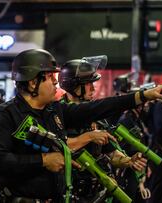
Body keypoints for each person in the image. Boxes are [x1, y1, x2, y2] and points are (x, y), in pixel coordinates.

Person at [0, 49, 162, 201]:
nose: (56, 83)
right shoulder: (4, 116)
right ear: (33, 83)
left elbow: (98, 108)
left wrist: (143, 96)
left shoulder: (53, 111)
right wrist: (43, 160)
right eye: (50, 77)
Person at [59, 57, 147, 202]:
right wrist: (89, 136)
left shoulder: (96, 118)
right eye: (88, 84)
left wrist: (128, 161)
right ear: (72, 86)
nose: (93, 88)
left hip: (96, 193)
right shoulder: (57, 113)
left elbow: (111, 153)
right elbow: (56, 146)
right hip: (68, 194)